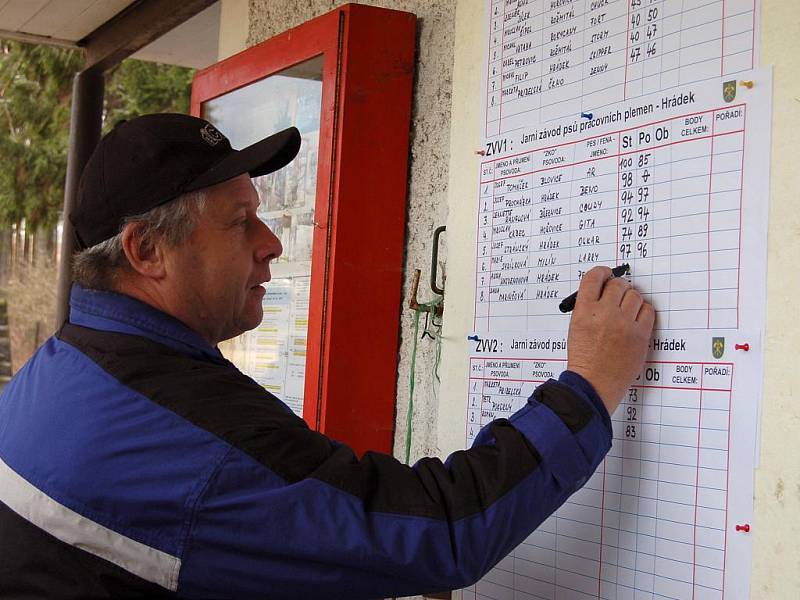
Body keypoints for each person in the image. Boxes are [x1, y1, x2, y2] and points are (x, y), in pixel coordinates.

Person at [0, 114, 655, 599]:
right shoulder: (192, 433)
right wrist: (589, 384)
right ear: (145, 252)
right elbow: (445, 531)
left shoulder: (62, 371)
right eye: (238, 222)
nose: (271, 243)